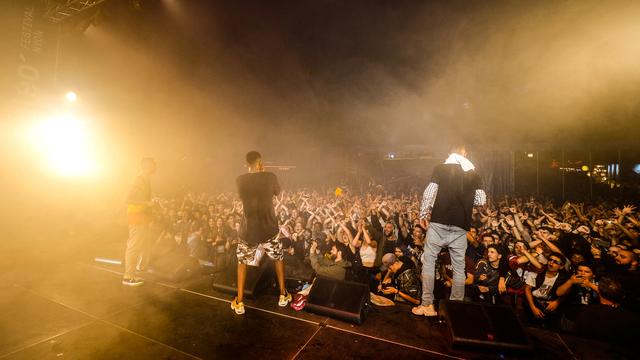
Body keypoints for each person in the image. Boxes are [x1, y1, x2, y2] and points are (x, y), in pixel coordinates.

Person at [412, 145, 486, 317]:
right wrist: (465, 200)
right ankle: (455, 309)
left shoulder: (440, 168)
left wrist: (423, 213)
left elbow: (430, 192)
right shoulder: (474, 173)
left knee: (429, 261)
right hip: (461, 225)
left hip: (439, 221)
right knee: (459, 268)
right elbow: (481, 199)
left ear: (449, 153)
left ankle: (427, 305)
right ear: (465, 153)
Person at [231, 151, 291, 315]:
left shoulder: (240, 180)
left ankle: (240, 301)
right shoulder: (270, 176)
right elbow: (277, 192)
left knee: (242, 262)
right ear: (260, 162)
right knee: (278, 258)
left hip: (248, 230)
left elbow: (242, 195)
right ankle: (283, 294)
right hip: (268, 229)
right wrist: (263, 172)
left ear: (246, 164)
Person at [123, 157, 156, 286]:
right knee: (134, 245)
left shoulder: (146, 179)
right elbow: (127, 199)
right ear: (148, 166)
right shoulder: (139, 179)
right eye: (154, 165)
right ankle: (128, 276)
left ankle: (140, 268)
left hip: (143, 215)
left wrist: (150, 202)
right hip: (136, 215)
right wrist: (147, 203)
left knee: (144, 243)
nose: (156, 167)